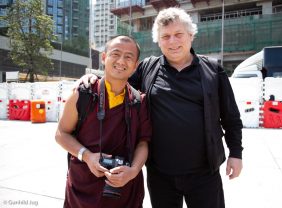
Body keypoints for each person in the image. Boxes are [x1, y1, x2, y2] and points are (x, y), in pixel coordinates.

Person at [79, 7, 243, 208]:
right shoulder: (148, 68)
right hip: (160, 174)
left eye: (178, 34)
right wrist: (94, 79)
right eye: (165, 36)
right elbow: (118, 79)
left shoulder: (213, 70)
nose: (172, 42)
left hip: (204, 173)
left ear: (191, 35)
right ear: (158, 40)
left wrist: (236, 153)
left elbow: (231, 116)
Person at [55, 35, 152, 208]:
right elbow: (61, 134)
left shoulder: (139, 101)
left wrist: (133, 171)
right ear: (104, 57)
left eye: (129, 57)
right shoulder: (83, 94)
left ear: (135, 65)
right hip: (83, 187)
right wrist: (87, 156)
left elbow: (143, 143)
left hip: (125, 189)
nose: (121, 61)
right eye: (115, 53)